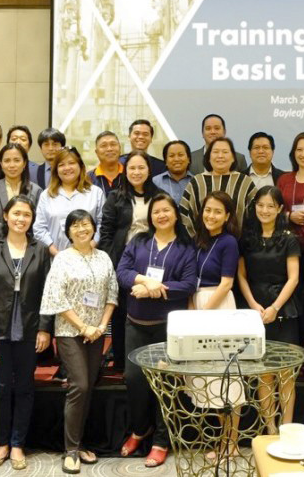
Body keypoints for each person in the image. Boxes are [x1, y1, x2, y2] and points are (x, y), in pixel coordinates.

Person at [116, 193, 199, 468]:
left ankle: (162, 440)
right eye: (156, 211)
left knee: (165, 383)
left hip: (168, 328)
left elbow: (187, 285)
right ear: (150, 217)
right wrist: (144, 280)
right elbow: (122, 272)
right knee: (134, 379)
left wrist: (153, 291)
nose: (161, 215)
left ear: (175, 214)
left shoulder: (186, 248)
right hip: (135, 325)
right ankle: (141, 430)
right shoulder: (139, 242)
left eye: (166, 210)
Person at [0, 195, 53, 470]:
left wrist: (45, 329)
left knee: (24, 387)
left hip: (30, 326)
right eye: (16, 214)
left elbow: (48, 293)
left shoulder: (41, 249)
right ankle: (2, 443)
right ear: (6, 216)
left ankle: (18, 443)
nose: (21, 219)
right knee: (0, 389)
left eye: (27, 215)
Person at [42, 209, 116, 473]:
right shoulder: (62, 258)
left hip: (96, 332)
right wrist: (83, 325)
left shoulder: (104, 257)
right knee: (80, 386)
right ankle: (70, 450)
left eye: (86, 224)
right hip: (70, 331)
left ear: (93, 227)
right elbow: (56, 298)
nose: (82, 229)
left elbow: (112, 293)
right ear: (68, 232)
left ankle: (79, 442)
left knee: (89, 387)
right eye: (75, 226)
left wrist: (101, 325)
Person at [238, 186, 301, 429]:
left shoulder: (289, 238)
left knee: (285, 374)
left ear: (280, 209)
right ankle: (270, 427)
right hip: (254, 310)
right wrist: (254, 305)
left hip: (283, 311)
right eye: (261, 205)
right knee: (263, 374)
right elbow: (241, 276)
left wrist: (274, 307)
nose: (265, 210)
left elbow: (293, 278)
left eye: (270, 206)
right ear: (255, 207)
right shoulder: (247, 239)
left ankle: (286, 428)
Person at [96, 151, 163, 371]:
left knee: (147, 308)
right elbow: (106, 232)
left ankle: (150, 360)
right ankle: (122, 362)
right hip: (122, 259)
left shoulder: (159, 196)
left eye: (141, 168)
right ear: (126, 171)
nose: (136, 172)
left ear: (149, 170)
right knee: (121, 311)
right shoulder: (116, 196)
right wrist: (109, 261)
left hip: (152, 260)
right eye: (132, 168)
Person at [33, 147, 105, 256]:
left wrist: (90, 246)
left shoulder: (95, 193)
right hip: (55, 259)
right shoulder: (46, 195)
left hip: (89, 256)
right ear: (56, 170)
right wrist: (57, 254)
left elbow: (103, 224)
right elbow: (39, 229)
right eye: (61, 165)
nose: (67, 168)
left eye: (71, 163)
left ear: (80, 166)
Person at [181, 137, 257, 236]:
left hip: (238, 246)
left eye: (225, 152)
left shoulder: (245, 182)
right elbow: (185, 216)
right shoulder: (197, 182)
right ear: (208, 157)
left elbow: (255, 215)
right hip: (202, 246)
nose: (220, 156)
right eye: (215, 152)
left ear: (233, 157)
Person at [0, 144, 43, 241]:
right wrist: (13, 230)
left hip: (28, 245)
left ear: (24, 163)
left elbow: (39, 222)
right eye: (7, 161)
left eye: (17, 160)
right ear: (1, 164)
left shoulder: (36, 190)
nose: (12, 165)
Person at [192, 192, 241, 310]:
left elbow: (226, 284)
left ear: (227, 216)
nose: (211, 216)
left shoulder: (229, 242)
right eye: (207, 210)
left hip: (219, 301)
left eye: (218, 212)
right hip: (195, 299)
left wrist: (205, 311)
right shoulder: (196, 239)